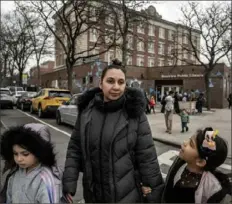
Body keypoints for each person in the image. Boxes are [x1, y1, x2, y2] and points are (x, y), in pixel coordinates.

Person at [62, 59, 164, 203]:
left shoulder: (135, 114)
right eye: (110, 81)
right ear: (100, 84)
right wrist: (69, 184)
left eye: (121, 82)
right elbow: (74, 148)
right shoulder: (86, 113)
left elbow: (147, 156)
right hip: (93, 195)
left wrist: (155, 193)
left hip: (126, 196)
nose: (116, 87)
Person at [162, 127, 231, 203]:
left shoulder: (212, 189)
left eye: (191, 144)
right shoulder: (180, 162)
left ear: (200, 162)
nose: (185, 142)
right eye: (189, 139)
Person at [0, 123, 62, 203]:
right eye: (15, 154)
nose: (19, 159)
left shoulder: (46, 180)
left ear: (39, 153)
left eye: (25, 154)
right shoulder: (14, 175)